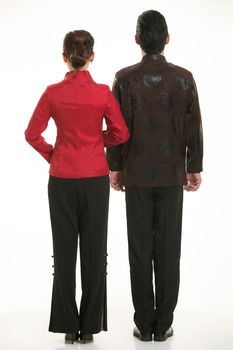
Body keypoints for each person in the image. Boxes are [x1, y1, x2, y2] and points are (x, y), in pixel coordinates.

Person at [25, 30, 129, 344]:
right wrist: (98, 142)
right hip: (95, 177)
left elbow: (32, 134)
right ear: (91, 57)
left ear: (64, 57)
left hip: (61, 179)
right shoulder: (101, 93)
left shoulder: (52, 92)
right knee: (95, 252)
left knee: (65, 250)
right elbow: (121, 134)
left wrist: (54, 154)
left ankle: (69, 326)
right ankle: (90, 327)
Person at [107, 10, 203, 342]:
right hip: (172, 173)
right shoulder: (184, 77)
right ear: (167, 39)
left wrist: (115, 167)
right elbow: (195, 127)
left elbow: (115, 130)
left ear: (137, 40)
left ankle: (143, 322)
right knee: (168, 249)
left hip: (135, 174)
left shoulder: (123, 78)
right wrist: (194, 167)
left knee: (139, 250)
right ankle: (163, 325)